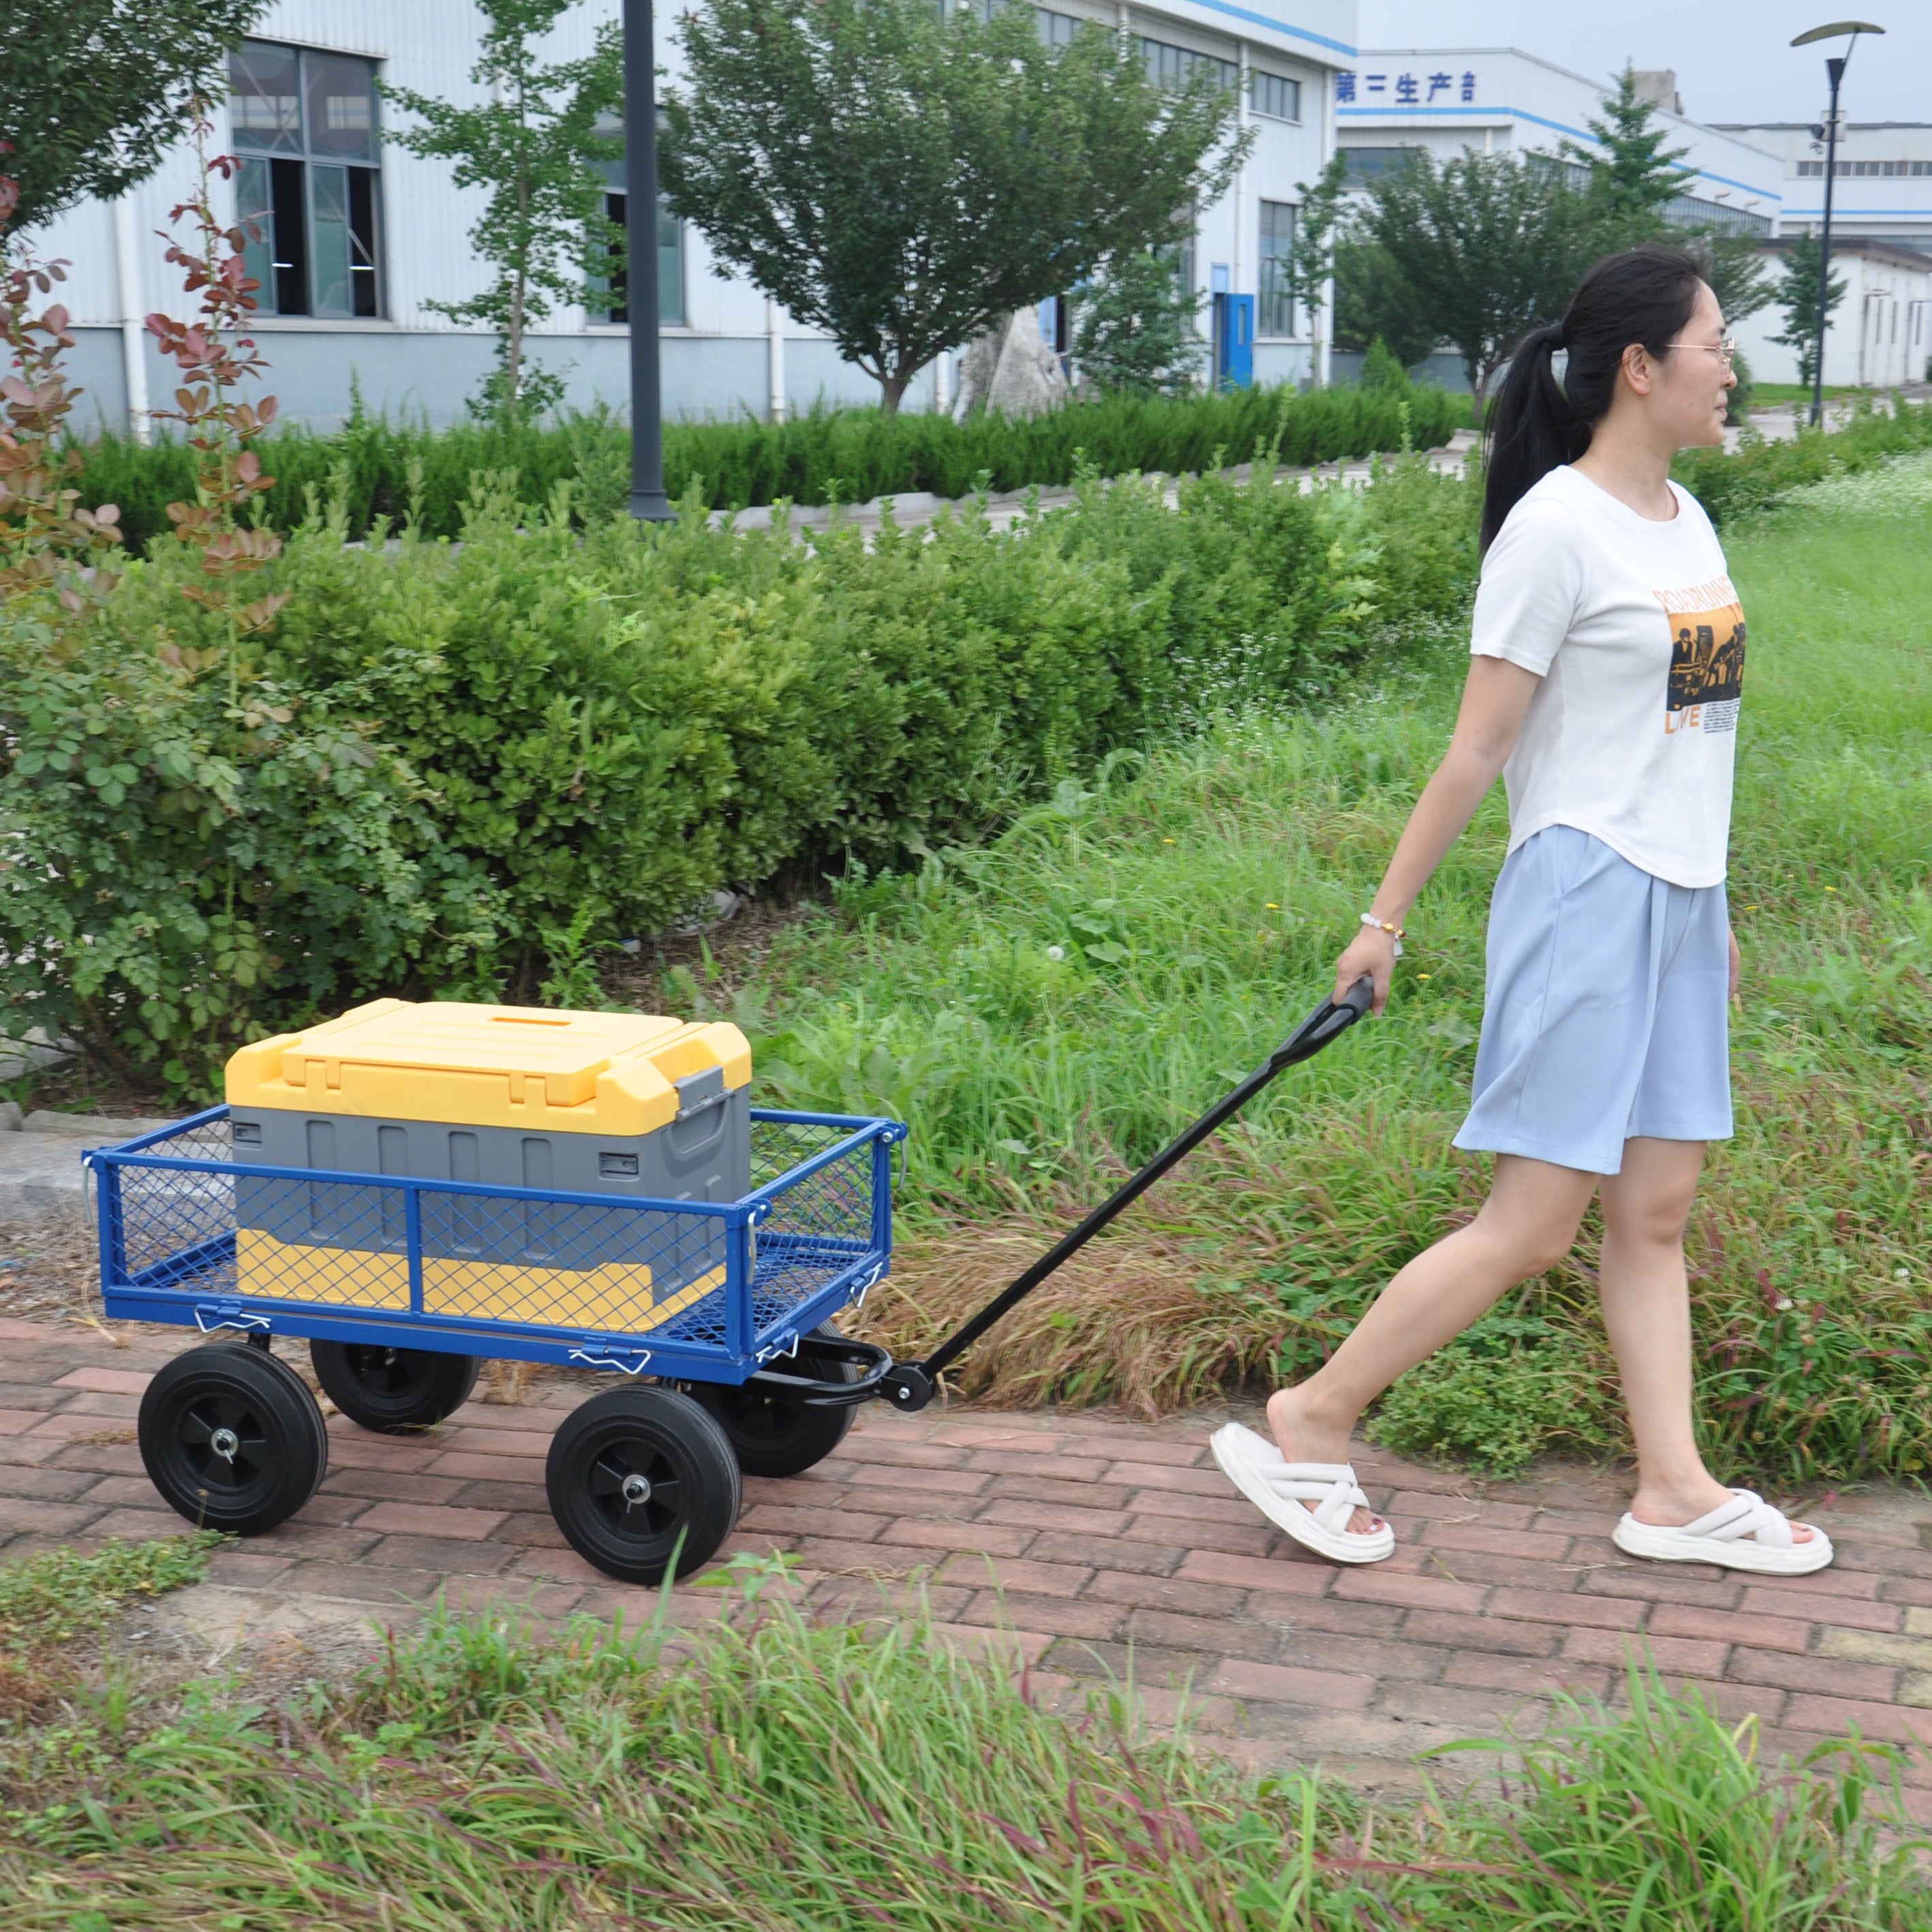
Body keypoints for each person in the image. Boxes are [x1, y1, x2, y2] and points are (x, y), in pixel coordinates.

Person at [1211, 244, 1830, 1576]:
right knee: (1532, 1219)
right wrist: (1381, 921)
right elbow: (1474, 750)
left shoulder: (1684, 522)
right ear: (1638, 367)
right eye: (1713, 343)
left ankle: (1669, 1485)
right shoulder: (1552, 528)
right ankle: (1311, 1415)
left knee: (1654, 1206)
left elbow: (1696, 733)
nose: (1732, 365)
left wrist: (1708, 903)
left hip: (1673, 898)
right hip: (1582, 889)